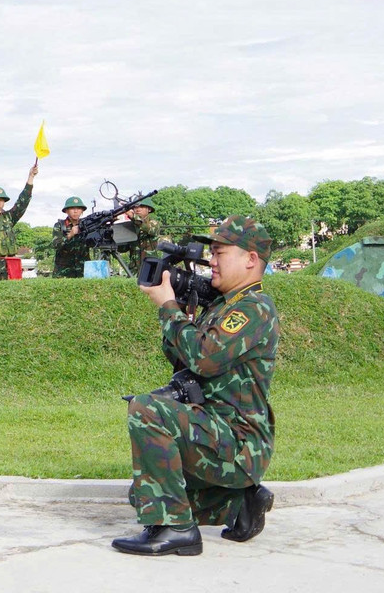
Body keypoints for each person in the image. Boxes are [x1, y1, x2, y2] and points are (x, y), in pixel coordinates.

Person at [111, 214, 279, 556]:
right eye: (211, 253)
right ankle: (238, 504)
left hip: (238, 439)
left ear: (250, 260)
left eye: (219, 253)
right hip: (216, 432)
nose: (211, 262)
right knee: (144, 494)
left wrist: (168, 307)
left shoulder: (252, 309)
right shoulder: (223, 305)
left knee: (147, 409)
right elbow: (182, 359)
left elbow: (203, 357)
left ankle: (177, 530)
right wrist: (180, 314)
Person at [50, 196, 90, 278]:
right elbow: (56, 245)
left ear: (82, 211)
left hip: (83, 270)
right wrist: (70, 235)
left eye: (79, 208)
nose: (75, 211)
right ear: (66, 211)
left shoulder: (87, 225)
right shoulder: (60, 225)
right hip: (63, 272)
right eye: (72, 208)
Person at [124, 199, 161, 273]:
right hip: (134, 268)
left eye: (142, 206)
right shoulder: (130, 226)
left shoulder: (154, 223)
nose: (138, 209)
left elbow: (149, 229)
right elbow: (123, 248)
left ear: (149, 209)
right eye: (135, 207)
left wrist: (132, 216)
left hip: (150, 266)